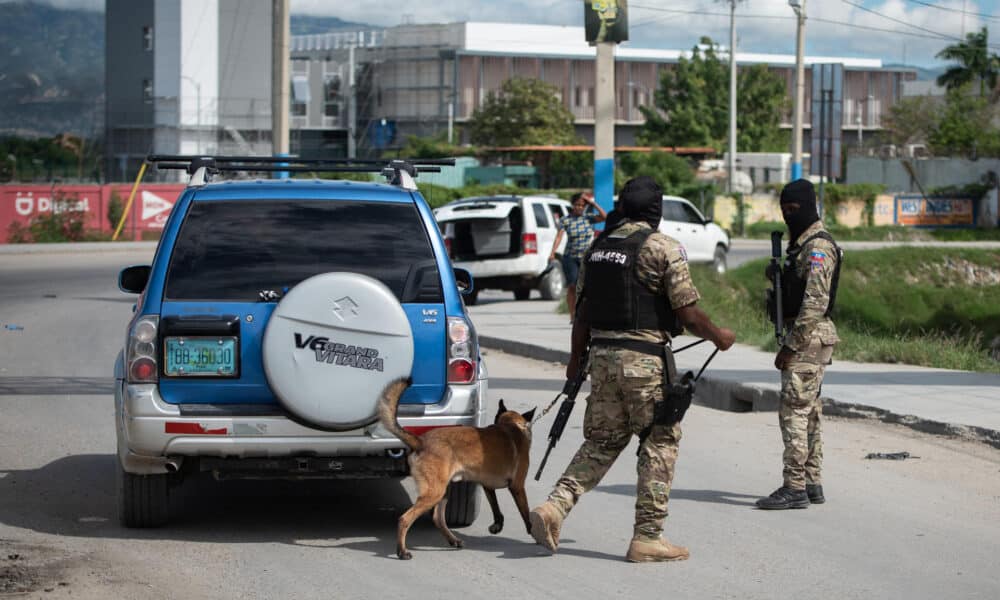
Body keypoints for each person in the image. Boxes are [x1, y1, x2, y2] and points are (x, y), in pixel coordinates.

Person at [529, 176, 736, 562]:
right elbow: (687, 313)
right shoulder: (663, 248)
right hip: (644, 362)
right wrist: (719, 336)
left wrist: (576, 363)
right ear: (655, 211)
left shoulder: (597, 248)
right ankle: (648, 537)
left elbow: (583, 315)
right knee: (659, 442)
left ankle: (555, 506)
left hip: (602, 360)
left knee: (602, 441)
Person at [756, 179, 841, 510]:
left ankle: (794, 486)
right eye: (785, 210)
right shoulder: (801, 245)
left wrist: (791, 346)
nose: (790, 215)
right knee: (810, 412)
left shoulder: (817, 247)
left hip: (807, 338)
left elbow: (814, 303)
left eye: (794, 209)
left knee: (794, 412)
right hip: (810, 337)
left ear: (809, 205)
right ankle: (811, 482)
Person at [549, 191, 606, 320]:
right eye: (576, 205)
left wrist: (592, 203)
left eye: (582, 205)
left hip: (586, 258)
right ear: (572, 205)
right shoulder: (566, 220)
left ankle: (587, 312)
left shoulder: (588, 218)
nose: (579, 207)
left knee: (588, 286)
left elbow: (604, 216)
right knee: (572, 286)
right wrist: (552, 252)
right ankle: (572, 314)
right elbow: (559, 237)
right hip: (570, 257)